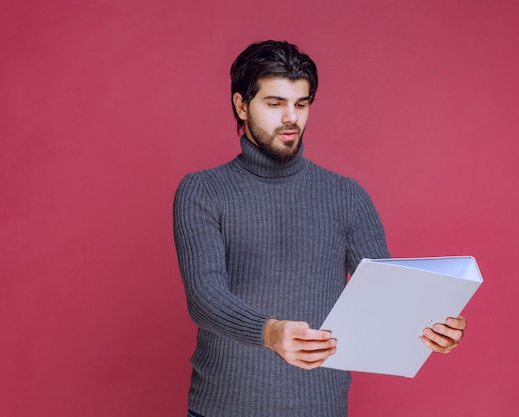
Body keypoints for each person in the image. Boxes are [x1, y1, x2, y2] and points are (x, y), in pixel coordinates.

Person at [173, 40, 466, 417]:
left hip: (320, 408)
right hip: (221, 409)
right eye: (275, 103)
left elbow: (389, 298)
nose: (290, 117)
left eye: (301, 103)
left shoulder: (346, 195)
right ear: (241, 106)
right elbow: (204, 297)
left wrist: (433, 325)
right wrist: (270, 332)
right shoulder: (202, 190)